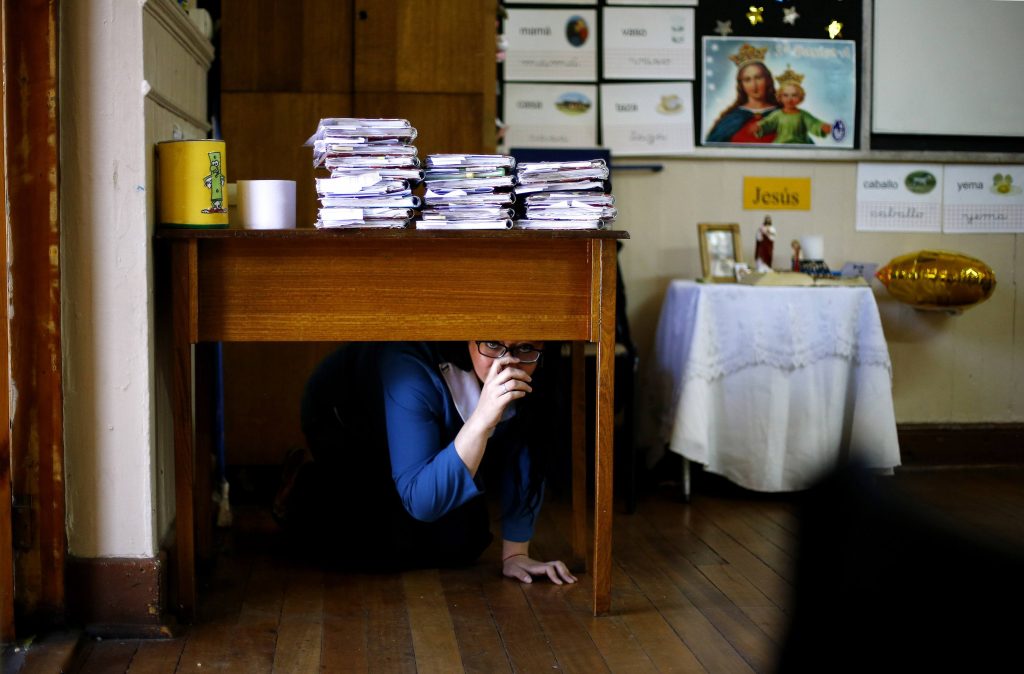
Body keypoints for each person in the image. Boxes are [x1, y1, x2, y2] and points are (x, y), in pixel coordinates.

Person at [277, 340, 577, 586]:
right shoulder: (411, 367)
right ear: (468, 337)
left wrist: (516, 555)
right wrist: (482, 420)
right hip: (348, 423)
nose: (507, 363)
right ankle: (306, 488)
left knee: (468, 538)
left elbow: (527, 445)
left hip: (426, 432)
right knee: (385, 535)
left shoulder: (535, 363)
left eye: (525, 348)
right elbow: (421, 502)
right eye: (492, 344)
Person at [705, 43, 778, 144]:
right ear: (741, 85)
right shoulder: (732, 118)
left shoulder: (783, 114)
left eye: (758, 78)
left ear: (767, 80)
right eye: (747, 80)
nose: (754, 85)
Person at [755, 66, 832, 145]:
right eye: (785, 95)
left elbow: (813, 124)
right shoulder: (777, 115)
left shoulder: (803, 115)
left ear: (800, 97)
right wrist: (759, 127)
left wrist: (822, 127)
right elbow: (768, 123)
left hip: (802, 145)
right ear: (780, 97)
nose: (790, 99)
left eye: (794, 95)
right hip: (782, 145)